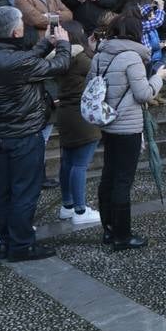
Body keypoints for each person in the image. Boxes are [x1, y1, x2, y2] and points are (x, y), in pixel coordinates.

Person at [0, 5, 71, 261]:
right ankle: (22, 245)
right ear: (16, 30)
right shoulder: (17, 62)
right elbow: (60, 66)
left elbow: (27, 60)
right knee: (25, 192)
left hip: (2, 132)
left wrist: (46, 43)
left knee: (4, 192)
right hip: (23, 134)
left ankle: (7, 241)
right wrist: (63, 44)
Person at [91, 12, 166, 249]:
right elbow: (143, 93)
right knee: (123, 180)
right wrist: (158, 78)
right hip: (127, 126)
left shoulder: (99, 55)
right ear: (136, 33)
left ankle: (108, 229)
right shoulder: (132, 57)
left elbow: (92, 86)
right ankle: (123, 236)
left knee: (109, 176)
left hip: (107, 122)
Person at [51, 21, 102, 227]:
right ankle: (80, 210)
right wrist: (92, 49)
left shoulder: (61, 59)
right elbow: (98, 71)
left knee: (68, 162)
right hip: (82, 114)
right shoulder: (81, 59)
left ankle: (68, 205)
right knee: (80, 164)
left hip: (65, 112)